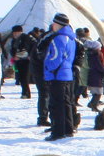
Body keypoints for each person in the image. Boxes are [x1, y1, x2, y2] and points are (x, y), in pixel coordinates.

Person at [43, 12, 76, 141]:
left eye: (54, 23)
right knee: (66, 103)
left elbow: (56, 57)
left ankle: (58, 132)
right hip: (66, 74)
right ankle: (68, 129)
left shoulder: (59, 38)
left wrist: (48, 67)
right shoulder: (71, 38)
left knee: (56, 105)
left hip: (57, 75)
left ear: (58, 24)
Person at [30, 27, 54, 126]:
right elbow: (42, 55)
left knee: (45, 94)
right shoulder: (48, 38)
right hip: (42, 70)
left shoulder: (46, 37)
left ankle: (45, 117)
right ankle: (43, 117)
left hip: (41, 69)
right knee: (45, 93)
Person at [10, 25, 34, 98]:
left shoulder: (26, 38)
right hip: (18, 61)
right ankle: (24, 92)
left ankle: (26, 93)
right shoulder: (14, 40)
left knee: (25, 78)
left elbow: (30, 48)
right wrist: (14, 56)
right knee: (21, 77)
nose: (14, 34)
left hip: (25, 61)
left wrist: (30, 56)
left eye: (16, 32)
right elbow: (12, 49)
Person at [85, 40, 104, 111]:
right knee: (98, 92)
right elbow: (99, 66)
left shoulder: (90, 54)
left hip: (92, 74)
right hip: (96, 75)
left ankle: (92, 104)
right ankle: (93, 105)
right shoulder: (97, 54)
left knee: (96, 91)